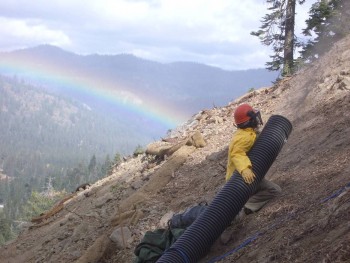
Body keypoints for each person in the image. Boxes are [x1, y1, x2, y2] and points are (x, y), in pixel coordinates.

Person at [226, 103, 281, 215]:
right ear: (250, 121)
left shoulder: (246, 133)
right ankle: (246, 206)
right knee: (274, 190)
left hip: (240, 178)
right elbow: (237, 154)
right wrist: (245, 169)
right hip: (243, 179)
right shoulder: (245, 138)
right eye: (254, 117)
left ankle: (245, 201)